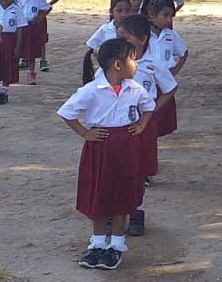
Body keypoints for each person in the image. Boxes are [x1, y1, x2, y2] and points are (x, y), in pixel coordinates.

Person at [58, 37, 155, 270]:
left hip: (126, 148)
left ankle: (116, 246)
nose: (137, 64)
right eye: (133, 59)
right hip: (100, 148)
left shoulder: (135, 88)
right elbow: (67, 112)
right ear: (117, 65)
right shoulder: (92, 89)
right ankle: (98, 244)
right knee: (99, 193)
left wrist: (140, 126)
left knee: (121, 196)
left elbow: (149, 107)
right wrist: (85, 133)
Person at [115, 15, 177, 237]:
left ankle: (137, 212)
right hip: (117, 124)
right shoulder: (113, 62)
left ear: (142, 39)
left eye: (126, 38)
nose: (121, 42)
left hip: (142, 124)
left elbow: (170, 88)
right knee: (117, 167)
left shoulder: (153, 64)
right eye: (118, 37)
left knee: (138, 170)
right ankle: (117, 209)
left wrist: (152, 110)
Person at [147, 0, 188, 138]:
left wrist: (175, 71)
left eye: (171, 16)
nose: (169, 20)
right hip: (146, 84)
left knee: (158, 125)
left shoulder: (171, 35)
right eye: (165, 15)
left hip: (164, 85)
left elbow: (183, 53)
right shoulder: (142, 35)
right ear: (152, 14)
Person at [85, 0, 131, 84]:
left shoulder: (133, 30)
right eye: (119, 11)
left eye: (127, 11)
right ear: (111, 12)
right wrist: (102, 58)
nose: (124, 14)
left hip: (127, 69)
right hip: (108, 71)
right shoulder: (105, 29)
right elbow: (92, 44)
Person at [28, 0, 61, 72]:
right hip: (27, 16)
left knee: (41, 39)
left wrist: (48, 5)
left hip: (40, 15)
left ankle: (43, 59)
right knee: (26, 38)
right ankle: (25, 59)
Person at [17, 0, 45, 84]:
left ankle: (32, 74)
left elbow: (46, 8)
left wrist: (39, 18)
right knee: (17, 50)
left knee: (31, 52)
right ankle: (14, 74)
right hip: (19, 27)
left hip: (31, 27)